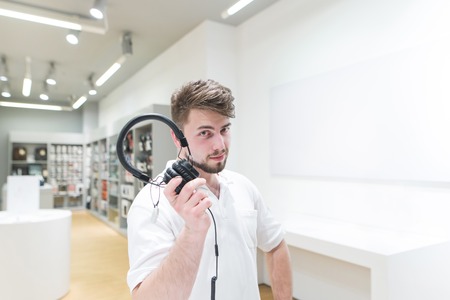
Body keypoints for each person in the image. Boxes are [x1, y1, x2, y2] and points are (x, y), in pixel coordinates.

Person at [126, 79, 292, 299]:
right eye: (205, 133)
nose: (220, 145)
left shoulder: (243, 186)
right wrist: (192, 233)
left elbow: (275, 245)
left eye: (224, 129)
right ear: (177, 138)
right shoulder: (151, 203)